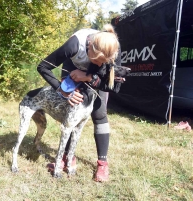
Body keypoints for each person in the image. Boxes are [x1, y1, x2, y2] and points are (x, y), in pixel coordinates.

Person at [37, 24, 122, 182]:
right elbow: (43, 67)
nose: (97, 64)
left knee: (99, 112)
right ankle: (68, 157)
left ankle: (102, 163)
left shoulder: (113, 47)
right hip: (72, 68)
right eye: (95, 60)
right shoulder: (74, 44)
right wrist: (62, 90)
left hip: (95, 79)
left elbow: (114, 87)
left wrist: (90, 77)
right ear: (89, 47)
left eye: (102, 62)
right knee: (71, 113)